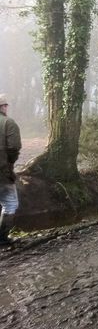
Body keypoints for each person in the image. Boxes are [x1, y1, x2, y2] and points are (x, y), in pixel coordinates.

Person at [0, 94, 21, 246]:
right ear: (3, 107)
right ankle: (2, 239)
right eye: (6, 105)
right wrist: (10, 163)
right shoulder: (8, 122)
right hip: (2, 173)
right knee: (10, 203)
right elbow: (14, 147)